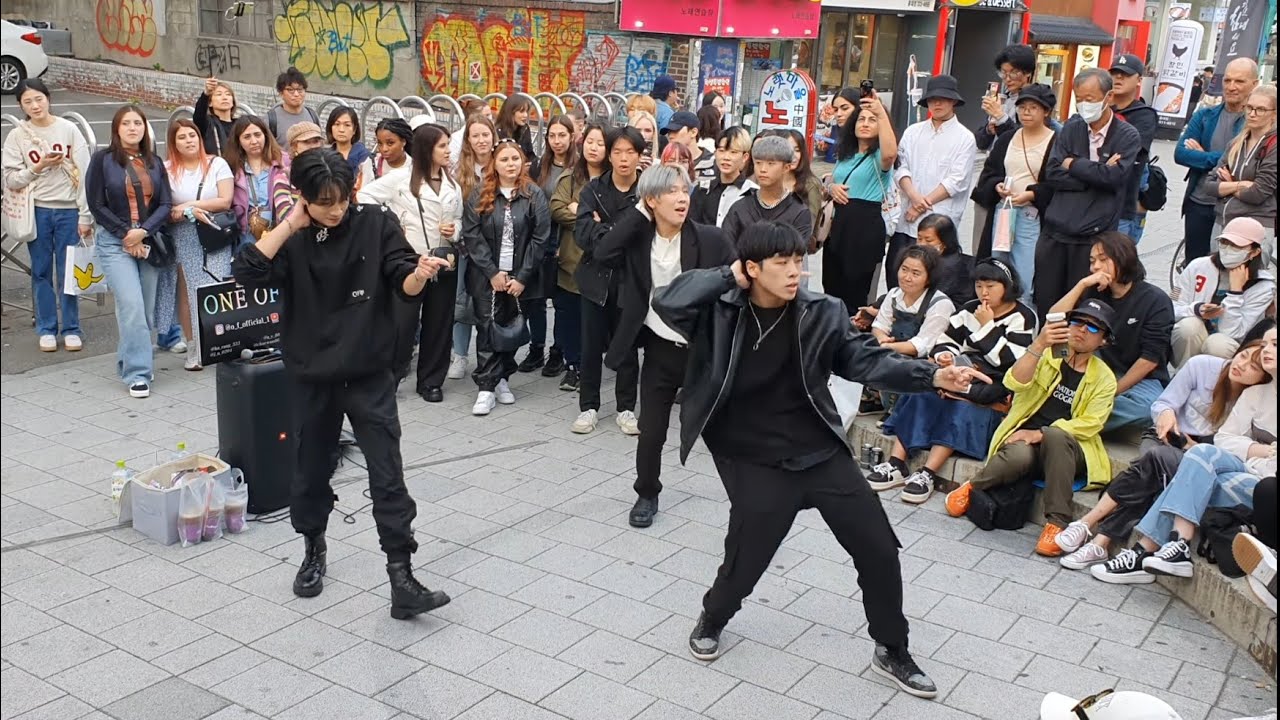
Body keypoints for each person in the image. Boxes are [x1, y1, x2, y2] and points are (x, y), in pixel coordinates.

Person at [650, 222, 991, 698]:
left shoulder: (822, 311)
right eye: (783, 263)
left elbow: (866, 360)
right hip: (752, 456)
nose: (796, 272)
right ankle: (715, 615)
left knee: (878, 549)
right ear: (751, 269)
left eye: (799, 260)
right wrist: (730, 278)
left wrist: (932, 377)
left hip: (819, 451)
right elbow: (667, 302)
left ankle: (891, 648)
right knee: (747, 558)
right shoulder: (717, 310)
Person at [232, 148, 451, 616]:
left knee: (388, 473)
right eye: (324, 201)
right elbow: (246, 273)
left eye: (342, 199)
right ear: (304, 198)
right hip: (312, 376)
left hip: (369, 371)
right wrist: (292, 222)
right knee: (310, 470)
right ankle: (313, 549)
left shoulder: (374, 223)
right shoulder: (292, 235)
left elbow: (401, 280)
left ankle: (401, 576)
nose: (336, 209)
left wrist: (418, 274)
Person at [594, 163, 734, 528]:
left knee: (726, 430)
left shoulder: (709, 239)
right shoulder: (638, 239)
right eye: (671, 191)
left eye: (684, 191)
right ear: (651, 200)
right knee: (652, 430)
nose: (681, 198)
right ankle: (647, 492)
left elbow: (735, 284)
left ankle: (750, 499)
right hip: (659, 348)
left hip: (703, 351)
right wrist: (640, 213)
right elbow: (603, 252)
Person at [1058, 341, 1271, 570]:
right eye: (1243, 356)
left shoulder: (1253, 399)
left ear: (1262, 378)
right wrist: (1167, 415)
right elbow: (1163, 403)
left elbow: (1230, 450)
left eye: (1253, 367)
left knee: (1158, 467)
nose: (1241, 365)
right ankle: (1098, 539)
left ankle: (1095, 533)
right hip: (1166, 436)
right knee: (1157, 462)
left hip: (1200, 458)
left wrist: (1195, 447)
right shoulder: (1203, 366)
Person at [945, 299, 1118, 556]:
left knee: (1056, 436)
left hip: (1071, 448)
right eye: (1077, 322)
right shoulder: (1052, 354)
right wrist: (1038, 344)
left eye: (1093, 328)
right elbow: (1014, 381)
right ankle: (971, 486)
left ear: (1104, 340)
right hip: (1026, 438)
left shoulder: (1103, 377)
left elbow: (1091, 423)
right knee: (1019, 453)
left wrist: (1041, 433)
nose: (1081, 330)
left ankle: (1057, 523)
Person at [875, 258, 1036, 502]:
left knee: (960, 403)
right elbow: (945, 340)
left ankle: (928, 472)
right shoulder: (969, 308)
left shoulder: (1023, 317)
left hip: (992, 387)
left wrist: (986, 326)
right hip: (961, 371)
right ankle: (896, 462)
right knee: (922, 388)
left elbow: (1008, 361)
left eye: (991, 286)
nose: (983, 292)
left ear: (1007, 286)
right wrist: (945, 357)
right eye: (979, 285)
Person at [357, 123, 462, 404]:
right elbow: (365, 197)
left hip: (444, 259)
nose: (448, 151)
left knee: (439, 323)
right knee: (401, 323)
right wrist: (393, 224)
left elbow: (461, 217)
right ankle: (389, 377)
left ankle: (431, 382)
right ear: (427, 148)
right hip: (410, 259)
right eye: (442, 145)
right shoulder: (402, 178)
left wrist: (457, 230)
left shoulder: (452, 183)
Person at [1034, 68, 1141, 317]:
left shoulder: (1127, 135)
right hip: (1055, 233)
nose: (1084, 105)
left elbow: (1115, 178)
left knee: (1085, 306)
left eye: (1090, 99)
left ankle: (1074, 355)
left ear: (1109, 97)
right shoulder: (1072, 128)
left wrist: (1074, 164)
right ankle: (1047, 354)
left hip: (1094, 238)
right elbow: (1052, 173)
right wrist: (1097, 173)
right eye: (1079, 98)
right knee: (1048, 304)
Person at [85, 105, 173, 399]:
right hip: (114, 241)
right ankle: (138, 373)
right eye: (126, 123)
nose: (133, 128)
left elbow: (165, 204)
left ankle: (127, 358)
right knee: (132, 305)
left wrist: (142, 232)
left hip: (147, 239)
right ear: (116, 129)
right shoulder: (102, 160)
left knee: (143, 311)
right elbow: (96, 204)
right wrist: (126, 234)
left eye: (138, 123)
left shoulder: (154, 161)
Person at [2, 79, 93, 353]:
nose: (35, 105)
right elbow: (11, 179)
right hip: (37, 210)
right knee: (40, 271)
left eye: (38, 99)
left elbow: (85, 173)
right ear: (20, 106)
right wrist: (38, 167)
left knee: (69, 271)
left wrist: (85, 215)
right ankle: (46, 328)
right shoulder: (17, 136)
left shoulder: (68, 130)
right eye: (27, 102)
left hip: (68, 210)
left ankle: (72, 327)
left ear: (48, 98)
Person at [1049, 232, 1173, 432]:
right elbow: (1054, 319)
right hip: (1095, 363)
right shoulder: (1093, 290)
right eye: (1092, 261)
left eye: (1102, 259)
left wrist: (1111, 392)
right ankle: (1080, 414)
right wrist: (1081, 285)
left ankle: (1067, 415)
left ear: (1123, 258)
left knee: (1147, 408)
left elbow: (1149, 359)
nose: (1095, 267)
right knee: (1058, 342)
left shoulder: (1156, 301)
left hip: (1141, 378)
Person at [462, 140, 551, 416]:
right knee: (488, 326)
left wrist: (523, 276)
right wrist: (491, 272)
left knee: (512, 327)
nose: (510, 164)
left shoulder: (533, 194)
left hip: (519, 275)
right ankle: (486, 386)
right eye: (504, 159)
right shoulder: (480, 193)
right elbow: (472, 234)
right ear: (494, 164)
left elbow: (540, 238)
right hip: (487, 275)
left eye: (515, 158)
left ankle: (503, 377)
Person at [571, 126, 643, 435]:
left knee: (626, 346)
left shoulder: (647, 192)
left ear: (640, 155)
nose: (624, 159)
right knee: (590, 347)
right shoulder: (593, 189)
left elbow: (646, 237)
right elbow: (583, 233)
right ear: (609, 155)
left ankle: (626, 407)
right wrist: (618, 235)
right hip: (595, 280)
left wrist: (608, 233)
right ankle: (588, 406)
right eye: (618, 152)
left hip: (632, 279)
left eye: (630, 152)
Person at [889, 75, 978, 291]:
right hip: (907, 219)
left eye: (943, 99)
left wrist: (921, 204)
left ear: (953, 102)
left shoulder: (965, 138)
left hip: (940, 225)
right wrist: (914, 198)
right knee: (896, 275)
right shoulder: (913, 132)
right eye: (932, 99)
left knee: (934, 282)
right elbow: (901, 167)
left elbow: (956, 181)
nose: (937, 104)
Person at [160, 118, 234, 371]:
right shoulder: (166, 169)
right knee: (187, 291)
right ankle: (193, 345)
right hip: (183, 234)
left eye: (192, 135)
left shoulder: (217, 163)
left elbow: (225, 201)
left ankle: (219, 343)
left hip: (214, 233)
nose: (188, 140)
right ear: (173, 143)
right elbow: (164, 208)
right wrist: (180, 212)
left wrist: (191, 205)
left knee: (215, 288)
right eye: (181, 137)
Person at [972, 84, 1057, 302]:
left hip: (1031, 214)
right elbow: (989, 172)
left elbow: (1058, 182)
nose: (1026, 112)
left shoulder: (1056, 141)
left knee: (1025, 274)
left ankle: (1023, 323)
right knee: (997, 269)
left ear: (1046, 111)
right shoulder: (1008, 137)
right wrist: (997, 186)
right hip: (1003, 210)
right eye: (1022, 107)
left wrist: (1032, 194)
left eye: (1033, 108)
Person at [1175, 58, 1260, 261]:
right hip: (1199, 202)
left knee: (1231, 266)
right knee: (1195, 265)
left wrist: (1203, 154)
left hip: (1236, 205)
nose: (1231, 87)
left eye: (1239, 81)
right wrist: (1221, 157)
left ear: (1255, 84)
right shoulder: (1206, 115)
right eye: (1227, 80)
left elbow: (1242, 162)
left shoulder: (1257, 122)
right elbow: (1180, 154)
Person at [825, 86, 897, 314]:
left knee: (856, 292)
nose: (865, 123)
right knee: (831, 286)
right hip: (838, 226)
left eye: (872, 120)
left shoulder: (879, 157)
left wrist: (881, 113)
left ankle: (854, 338)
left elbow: (889, 154)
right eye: (861, 119)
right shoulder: (845, 154)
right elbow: (831, 179)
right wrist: (832, 186)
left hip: (864, 227)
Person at [549, 122, 609, 394]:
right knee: (569, 316)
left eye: (600, 143)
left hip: (604, 264)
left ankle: (591, 365)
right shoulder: (571, 178)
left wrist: (584, 213)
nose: (594, 147)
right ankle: (572, 366)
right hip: (572, 260)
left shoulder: (615, 180)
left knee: (596, 320)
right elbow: (557, 209)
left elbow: (616, 217)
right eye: (590, 142)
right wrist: (587, 218)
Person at [1171, 217, 1276, 367]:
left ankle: (1215, 384)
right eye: (1224, 242)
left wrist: (1235, 292)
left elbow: (1233, 334)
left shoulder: (1263, 287)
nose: (1227, 249)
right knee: (1189, 326)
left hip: (1229, 346)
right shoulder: (1198, 266)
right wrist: (1196, 309)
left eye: (1236, 246)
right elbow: (1171, 307)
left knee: (1217, 343)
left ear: (1254, 252)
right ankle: (1182, 375)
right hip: (1194, 338)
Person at [519, 115, 578, 375]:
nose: (557, 141)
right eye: (552, 136)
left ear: (572, 136)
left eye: (562, 135)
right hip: (540, 238)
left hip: (567, 238)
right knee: (535, 298)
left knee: (562, 299)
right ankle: (536, 348)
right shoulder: (537, 167)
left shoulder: (579, 167)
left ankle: (558, 350)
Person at [449, 113, 497, 380]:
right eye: (475, 135)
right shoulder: (460, 169)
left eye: (485, 134)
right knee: (461, 300)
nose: (481, 140)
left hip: (495, 245)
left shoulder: (501, 162)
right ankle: (460, 355)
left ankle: (489, 355)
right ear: (467, 139)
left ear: (493, 137)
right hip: (465, 245)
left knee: (487, 305)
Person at [1205, 85, 1277, 233]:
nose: (1252, 114)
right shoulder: (1236, 142)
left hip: (1254, 227)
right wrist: (1240, 185)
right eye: (1249, 107)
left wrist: (1230, 183)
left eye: (1261, 109)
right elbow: (1210, 185)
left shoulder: (1273, 145)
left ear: (1274, 114)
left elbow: (1257, 194)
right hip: (1223, 221)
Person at [720, 135, 811, 245]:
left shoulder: (798, 212)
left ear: (786, 168)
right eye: (758, 163)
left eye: (770, 164)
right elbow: (726, 248)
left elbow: (796, 253)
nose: (763, 169)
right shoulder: (740, 207)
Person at [1109, 54, 1159, 243]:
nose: (1118, 78)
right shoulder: (1100, 109)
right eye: (1114, 73)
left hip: (1125, 204)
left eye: (1125, 74)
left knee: (1119, 262)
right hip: (1094, 203)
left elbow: (1132, 150)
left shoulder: (1144, 115)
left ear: (1139, 80)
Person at [225, 116, 292, 251]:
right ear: (238, 141)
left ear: (265, 135)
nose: (254, 141)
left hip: (279, 227)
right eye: (247, 137)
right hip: (247, 231)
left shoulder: (283, 160)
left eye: (257, 135)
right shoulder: (231, 166)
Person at [974, 44, 1037, 151]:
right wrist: (989, 129)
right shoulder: (1004, 98)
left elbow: (1026, 139)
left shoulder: (1037, 100)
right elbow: (980, 143)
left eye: (1013, 73)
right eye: (1003, 73)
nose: (1007, 79)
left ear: (1028, 73)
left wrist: (1000, 116)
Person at [689, 126, 754, 227]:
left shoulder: (751, 193)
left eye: (733, 152)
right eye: (722, 151)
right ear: (715, 153)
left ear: (745, 157)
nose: (726, 157)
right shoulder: (703, 189)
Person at [772, 128, 825, 250]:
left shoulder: (810, 184)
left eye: (797, 150)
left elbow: (809, 227)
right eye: (788, 149)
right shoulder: (768, 179)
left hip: (795, 250)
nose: (793, 155)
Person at [914, 213, 974, 306]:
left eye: (928, 240)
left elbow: (931, 298)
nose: (921, 244)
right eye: (919, 238)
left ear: (944, 242)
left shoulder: (949, 266)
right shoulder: (927, 259)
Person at [266, 66, 320, 148]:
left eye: (300, 89)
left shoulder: (312, 115)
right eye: (290, 90)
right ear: (281, 93)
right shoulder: (271, 119)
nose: (296, 94)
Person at [357, 117, 413, 188]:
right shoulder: (372, 163)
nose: (384, 149)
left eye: (390, 143)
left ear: (403, 142)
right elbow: (362, 194)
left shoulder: (415, 167)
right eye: (380, 143)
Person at [661, 111, 715, 184]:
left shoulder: (713, 163)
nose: (670, 135)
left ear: (693, 132)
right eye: (669, 131)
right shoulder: (665, 162)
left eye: (676, 130)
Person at [495, 95, 540, 179]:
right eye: (521, 111)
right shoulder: (498, 132)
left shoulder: (525, 128)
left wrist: (531, 164)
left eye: (526, 111)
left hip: (524, 176)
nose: (525, 115)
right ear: (510, 112)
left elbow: (530, 153)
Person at [192, 76, 237, 155]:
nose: (224, 98)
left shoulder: (240, 124)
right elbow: (198, 116)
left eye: (228, 94)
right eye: (219, 94)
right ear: (210, 103)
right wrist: (206, 94)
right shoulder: (208, 123)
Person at [326, 107, 369, 176]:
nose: (341, 130)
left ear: (354, 129)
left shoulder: (364, 156)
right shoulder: (325, 156)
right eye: (337, 124)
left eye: (347, 125)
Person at [448, 98, 493, 164]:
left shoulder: (492, 132)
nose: (490, 118)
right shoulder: (456, 139)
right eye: (486, 115)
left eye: (490, 114)